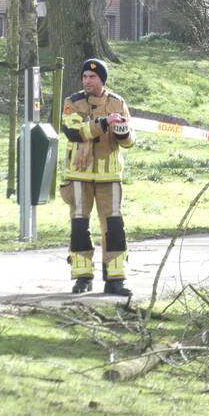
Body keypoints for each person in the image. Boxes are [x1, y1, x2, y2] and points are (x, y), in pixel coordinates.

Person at [59, 58, 136, 296]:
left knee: (114, 225)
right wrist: (104, 122)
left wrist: (122, 131)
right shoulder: (72, 102)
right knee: (80, 223)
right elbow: (73, 131)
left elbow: (130, 141)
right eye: (84, 77)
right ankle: (82, 277)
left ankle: (116, 279)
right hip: (79, 173)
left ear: (102, 80)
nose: (87, 80)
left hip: (109, 174)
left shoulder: (117, 102)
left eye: (92, 77)